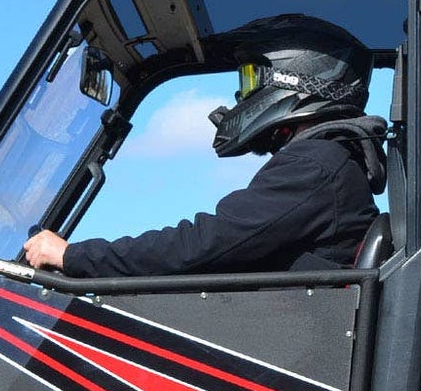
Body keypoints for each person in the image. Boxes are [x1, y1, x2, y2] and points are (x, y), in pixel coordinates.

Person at [20, 14, 386, 277]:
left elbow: (202, 246)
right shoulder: (332, 163)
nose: (241, 95)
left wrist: (73, 255)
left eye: (250, 79)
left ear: (298, 79)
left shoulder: (317, 165)